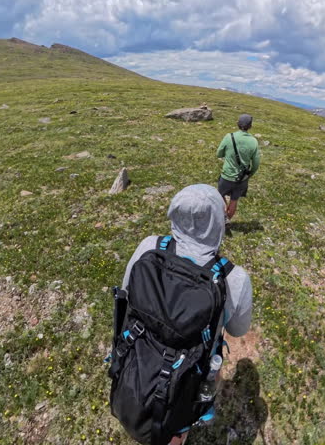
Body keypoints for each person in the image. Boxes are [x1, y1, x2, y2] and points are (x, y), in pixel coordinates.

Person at [117, 184, 253, 444]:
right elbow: (238, 330)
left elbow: (126, 292)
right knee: (173, 426)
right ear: (218, 222)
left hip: (136, 363)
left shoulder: (150, 246)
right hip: (183, 380)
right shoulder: (234, 278)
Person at [217, 114, 261, 221]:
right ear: (250, 126)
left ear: (237, 124)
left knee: (220, 196)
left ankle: (222, 217)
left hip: (227, 175)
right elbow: (256, 163)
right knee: (234, 200)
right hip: (242, 178)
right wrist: (250, 174)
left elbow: (219, 154)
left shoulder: (229, 136)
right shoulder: (254, 141)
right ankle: (227, 220)